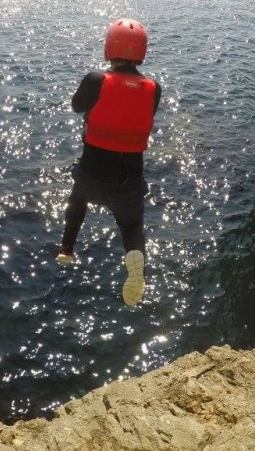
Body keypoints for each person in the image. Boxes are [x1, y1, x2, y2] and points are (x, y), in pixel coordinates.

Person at [57, 18, 162, 307]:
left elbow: (77, 106)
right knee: (131, 227)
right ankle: (135, 265)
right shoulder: (155, 88)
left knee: (77, 201)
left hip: (91, 176)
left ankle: (67, 247)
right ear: (141, 52)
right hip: (128, 182)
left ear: (109, 48)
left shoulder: (96, 80)